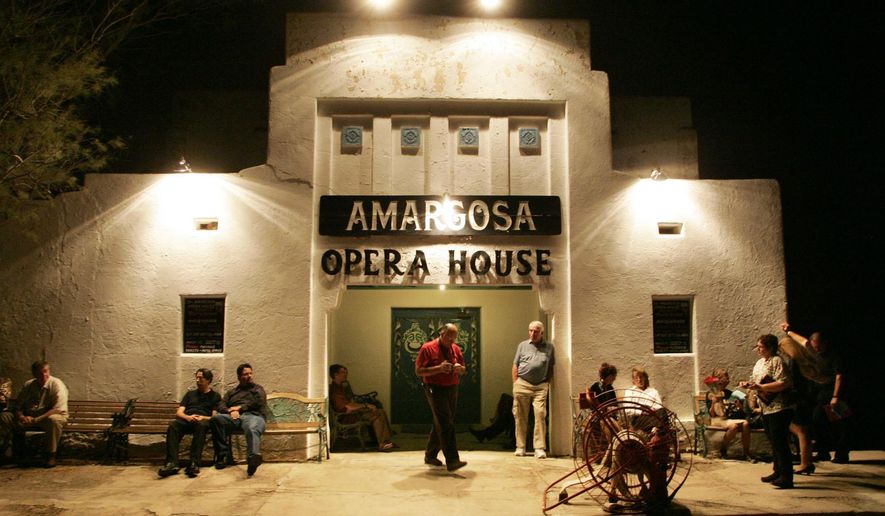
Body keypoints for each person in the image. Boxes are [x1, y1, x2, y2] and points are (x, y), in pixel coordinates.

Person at [782, 323, 849, 464]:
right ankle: (823, 451)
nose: (816, 349)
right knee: (818, 421)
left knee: (840, 425)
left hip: (833, 394)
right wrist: (789, 332)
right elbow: (803, 342)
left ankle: (842, 454)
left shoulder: (833, 356)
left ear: (825, 343)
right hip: (820, 394)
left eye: (819, 346)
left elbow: (839, 376)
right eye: (814, 346)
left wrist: (835, 396)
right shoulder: (813, 353)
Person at [739, 334, 794, 489]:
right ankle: (777, 471)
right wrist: (749, 384)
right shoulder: (759, 363)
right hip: (765, 407)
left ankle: (786, 476)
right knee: (773, 440)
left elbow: (783, 382)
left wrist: (761, 387)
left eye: (761, 347)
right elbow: (756, 381)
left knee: (780, 441)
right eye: (758, 346)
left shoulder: (777, 361)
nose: (759, 349)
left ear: (770, 348)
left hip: (778, 407)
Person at [415, 323, 467, 472]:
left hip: (452, 387)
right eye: (449, 338)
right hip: (434, 388)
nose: (452, 341)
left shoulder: (455, 348)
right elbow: (418, 371)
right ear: (441, 334)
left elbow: (464, 369)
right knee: (446, 423)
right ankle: (452, 460)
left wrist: (459, 369)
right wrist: (439, 368)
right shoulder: (427, 348)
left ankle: (430, 455)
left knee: (442, 422)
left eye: (454, 338)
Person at [0, 361, 68, 467]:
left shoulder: (56, 384)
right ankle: (6, 452)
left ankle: (51, 455)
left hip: (46, 417)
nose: (43, 375)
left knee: (54, 420)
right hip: (29, 417)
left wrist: (37, 419)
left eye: (45, 371)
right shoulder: (29, 385)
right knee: (5, 417)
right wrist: (22, 416)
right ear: (34, 374)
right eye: (40, 373)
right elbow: (17, 406)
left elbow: (57, 409)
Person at [158, 368, 222, 478]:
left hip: (202, 421)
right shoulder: (190, 394)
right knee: (173, 425)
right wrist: (188, 417)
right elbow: (179, 413)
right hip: (187, 419)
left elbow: (213, 417)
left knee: (201, 426)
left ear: (208, 380)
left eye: (201, 378)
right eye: (197, 377)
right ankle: (172, 463)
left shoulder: (215, 396)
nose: (198, 380)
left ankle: (194, 463)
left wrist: (202, 417)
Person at [211, 363, 267, 476]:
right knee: (216, 419)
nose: (249, 376)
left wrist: (240, 408)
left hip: (253, 416)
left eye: (251, 373)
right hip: (234, 418)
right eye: (246, 374)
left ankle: (253, 459)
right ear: (239, 377)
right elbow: (221, 404)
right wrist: (230, 411)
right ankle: (222, 456)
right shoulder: (232, 392)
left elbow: (259, 402)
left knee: (252, 428)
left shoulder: (258, 389)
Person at [512, 320, 555, 459]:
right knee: (520, 415)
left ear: (542, 332)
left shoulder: (549, 347)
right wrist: (516, 383)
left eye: (536, 331)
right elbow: (515, 365)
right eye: (530, 330)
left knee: (540, 414)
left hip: (540, 386)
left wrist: (546, 383)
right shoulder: (522, 346)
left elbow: (550, 367)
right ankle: (520, 446)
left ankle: (539, 448)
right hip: (522, 383)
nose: (532, 333)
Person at [329, 364, 395, 452]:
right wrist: (365, 405)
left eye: (346, 372)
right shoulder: (335, 390)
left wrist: (364, 405)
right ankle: (382, 443)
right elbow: (348, 407)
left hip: (353, 412)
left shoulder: (342, 386)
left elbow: (351, 402)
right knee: (377, 413)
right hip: (346, 416)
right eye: (343, 372)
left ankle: (386, 441)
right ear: (335, 375)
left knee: (380, 411)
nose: (346, 374)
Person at [776, 336, 815, 474]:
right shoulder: (806, 359)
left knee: (800, 431)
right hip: (807, 398)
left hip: (798, 398)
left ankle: (805, 462)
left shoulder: (794, 362)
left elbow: (791, 382)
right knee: (804, 431)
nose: (783, 353)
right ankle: (807, 461)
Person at [706, 367, 752, 460]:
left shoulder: (730, 393)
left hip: (729, 419)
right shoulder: (711, 393)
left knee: (746, 424)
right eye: (721, 382)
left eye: (725, 382)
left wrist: (740, 406)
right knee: (734, 426)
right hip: (716, 419)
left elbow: (739, 410)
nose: (723, 384)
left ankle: (746, 453)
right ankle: (723, 449)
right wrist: (714, 402)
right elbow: (712, 415)